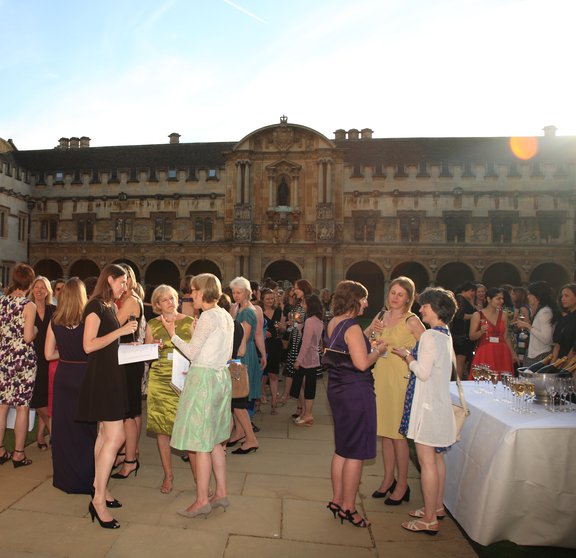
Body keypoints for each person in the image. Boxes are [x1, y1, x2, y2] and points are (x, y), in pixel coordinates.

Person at [164, 273, 234, 518]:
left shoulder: (207, 316)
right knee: (215, 441)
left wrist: (172, 334)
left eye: (193, 290)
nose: (190, 294)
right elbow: (218, 350)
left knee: (200, 442)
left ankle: (203, 499)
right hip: (220, 379)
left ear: (203, 292)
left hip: (203, 381)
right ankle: (222, 493)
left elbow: (193, 353)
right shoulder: (225, 315)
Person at [76, 264, 138, 529]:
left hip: (113, 376)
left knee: (105, 436)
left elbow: (108, 343)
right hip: (101, 379)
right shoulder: (95, 307)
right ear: (109, 280)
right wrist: (120, 332)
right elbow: (88, 345)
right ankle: (98, 500)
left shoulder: (111, 306)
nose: (125, 286)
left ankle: (98, 489)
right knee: (117, 436)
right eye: (122, 281)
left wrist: (130, 345)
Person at [393, 287, 458, 536]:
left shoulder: (430, 336)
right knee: (437, 459)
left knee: (426, 462)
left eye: (425, 306)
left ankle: (429, 519)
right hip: (439, 407)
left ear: (436, 308)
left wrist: (408, 357)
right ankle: (436, 506)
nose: (421, 310)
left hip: (428, 408)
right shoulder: (444, 334)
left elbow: (422, 372)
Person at [322, 280, 387, 528]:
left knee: (342, 448)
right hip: (356, 392)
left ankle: (337, 499)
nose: (367, 303)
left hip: (337, 390)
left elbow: (346, 348)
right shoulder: (351, 327)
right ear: (354, 300)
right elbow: (361, 363)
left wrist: (368, 330)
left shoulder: (335, 322)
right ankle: (349, 507)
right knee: (356, 452)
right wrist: (378, 351)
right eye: (364, 298)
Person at [366, 276, 425, 505]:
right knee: (386, 434)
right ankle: (388, 478)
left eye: (401, 294)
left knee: (398, 436)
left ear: (409, 298)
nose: (395, 297)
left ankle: (403, 483)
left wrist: (410, 354)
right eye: (393, 292)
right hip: (380, 377)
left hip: (400, 380)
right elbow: (366, 340)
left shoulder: (412, 321)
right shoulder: (381, 316)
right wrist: (372, 330)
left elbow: (428, 348)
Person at [45, 278, 97, 493]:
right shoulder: (89, 320)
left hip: (64, 375)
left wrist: (64, 354)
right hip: (85, 375)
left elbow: (48, 354)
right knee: (87, 429)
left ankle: (65, 478)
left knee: (64, 428)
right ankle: (88, 478)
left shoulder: (54, 320)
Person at [144, 284, 194, 493]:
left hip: (183, 380)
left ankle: (199, 479)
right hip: (159, 381)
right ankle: (168, 475)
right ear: (157, 304)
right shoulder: (152, 324)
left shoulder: (190, 322)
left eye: (172, 298)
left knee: (190, 431)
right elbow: (146, 355)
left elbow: (196, 352)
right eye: (165, 299)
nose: (170, 302)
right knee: (162, 432)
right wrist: (153, 347)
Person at [0, 263, 37, 468]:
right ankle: (19, 454)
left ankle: (0, 450)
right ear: (30, 283)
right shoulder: (28, 305)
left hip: (4, 358)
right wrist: (37, 331)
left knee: (2, 406)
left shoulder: (2, 303)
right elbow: (28, 336)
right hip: (22, 360)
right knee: (22, 407)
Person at [111, 264, 146, 480]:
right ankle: (126, 453)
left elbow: (111, 326)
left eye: (125, 280)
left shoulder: (131, 301)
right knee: (128, 412)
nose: (122, 284)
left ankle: (130, 460)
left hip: (128, 361)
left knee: (128, 414)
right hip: (125, 359)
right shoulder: (126, 300)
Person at [228, 276, 262, 453]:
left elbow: (244, 338)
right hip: (240, 354)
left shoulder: (248, 311)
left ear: (247, 292)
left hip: (242, 355)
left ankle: (251, 439)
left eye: (238, 292)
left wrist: (234, 359)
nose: (235, 295)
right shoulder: (240, 308)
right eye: (233, 292)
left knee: (238, 401)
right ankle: (240, 433)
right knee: (236, 402)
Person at [28, 276, 56, 450]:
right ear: (32, 289)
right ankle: (55, 435)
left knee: (47, 400)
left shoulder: (54, 310)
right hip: (31, 360)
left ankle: (40, 436)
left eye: (42, 288)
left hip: (50, 360)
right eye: (36, 287)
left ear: (47, 291)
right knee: (39, 402)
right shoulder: (26, 309)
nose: (39, 290)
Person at [290, 293, 324, 426]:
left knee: (308, 387)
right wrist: (299, 326)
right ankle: (305, 412)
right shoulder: (316, 320)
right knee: (306, 386)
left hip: (308, 358)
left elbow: (306, 343)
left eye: (304, 303)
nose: (302, 305)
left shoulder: (310, 321)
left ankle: (308, 414)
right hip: (312, 357)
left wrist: (298, 360)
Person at [468, 288, 517, 378]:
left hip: (502, 352)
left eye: (502, 299)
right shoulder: (477, 315)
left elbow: (506, 336)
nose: (501, 301)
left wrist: (512, 353)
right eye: (498, 299)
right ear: (489, 299)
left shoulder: (504, 314)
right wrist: (481, 332)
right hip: (485, 352)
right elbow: (471, 336)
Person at [282, 279, 314, 407]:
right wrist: (293, 322)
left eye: (296, 288)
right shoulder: (298, 303)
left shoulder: (309, 303)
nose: (294, 290)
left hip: (303, 341)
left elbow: (309, 322)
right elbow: (298, 320)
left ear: (303, 289)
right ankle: (301, 407)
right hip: (295, 339)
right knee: (297, 377)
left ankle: (305, 409)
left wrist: (295, 322)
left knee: (303, 377)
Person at [515, 281, 560, 367]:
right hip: (534, 354)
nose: (528, 297)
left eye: (530, 294)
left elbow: (547, 338)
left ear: (537, 296)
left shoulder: (545, 312)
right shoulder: (541, 311)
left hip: (540, 355)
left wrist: (527, 326)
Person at [261, 288, 283, 415]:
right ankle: (259, 398)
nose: (270, 301)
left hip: (275, 344)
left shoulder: (278, 311)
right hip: (262, 345)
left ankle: (274, 402)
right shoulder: (259, 312)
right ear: (262, 300)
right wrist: (264, 333)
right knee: (262, 375)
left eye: (272, 298)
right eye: (268, 298)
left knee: (273, 374)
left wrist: (282, 327)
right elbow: (255, 330)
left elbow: (283, 330)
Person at [450, 281, 477, 379]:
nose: (473, 293)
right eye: (471, 291)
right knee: (460, 361)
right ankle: (458, 384)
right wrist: (475, 316)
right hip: (461, 336)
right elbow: (460, 315)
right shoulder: (460, 299)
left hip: (460, 335)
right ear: (464, 290)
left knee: (458, 361)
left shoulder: (464, 299)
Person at [552, 283, 576, 359]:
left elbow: (574, 349)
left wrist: (565, 367)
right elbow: (557, 345)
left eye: (566, 296)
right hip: (559, 363)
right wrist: (552, 366)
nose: (562, 299)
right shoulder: (564, 318)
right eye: (562, 296)